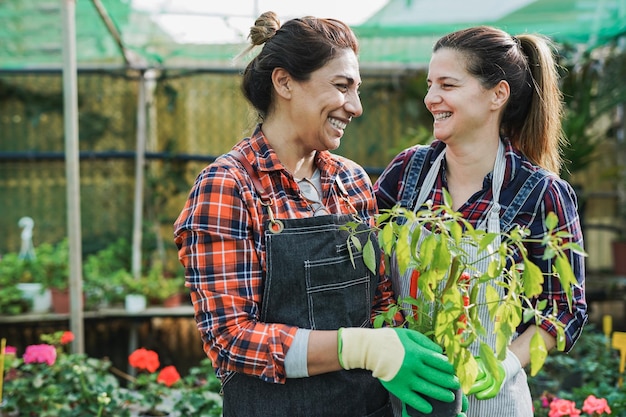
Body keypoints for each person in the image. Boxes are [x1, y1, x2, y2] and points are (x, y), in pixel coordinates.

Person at [174, 12, 462, 417]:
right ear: (285, 82)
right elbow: (231, 338)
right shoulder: (230, 186)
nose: (356, 106)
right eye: (342, 86)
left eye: (356, 89)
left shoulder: (352, 181)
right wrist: (355, 347)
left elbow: (378, 303)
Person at [374, 26, 588, 417]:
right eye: (429, 84)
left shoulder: (540, 193)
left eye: (447, 85)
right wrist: (389, 344)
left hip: (496, 402)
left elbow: (564, 308)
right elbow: (368, 273)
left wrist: (504, 364)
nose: (430, 98)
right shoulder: (408, 171)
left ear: (497, 94)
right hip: (407, 399)